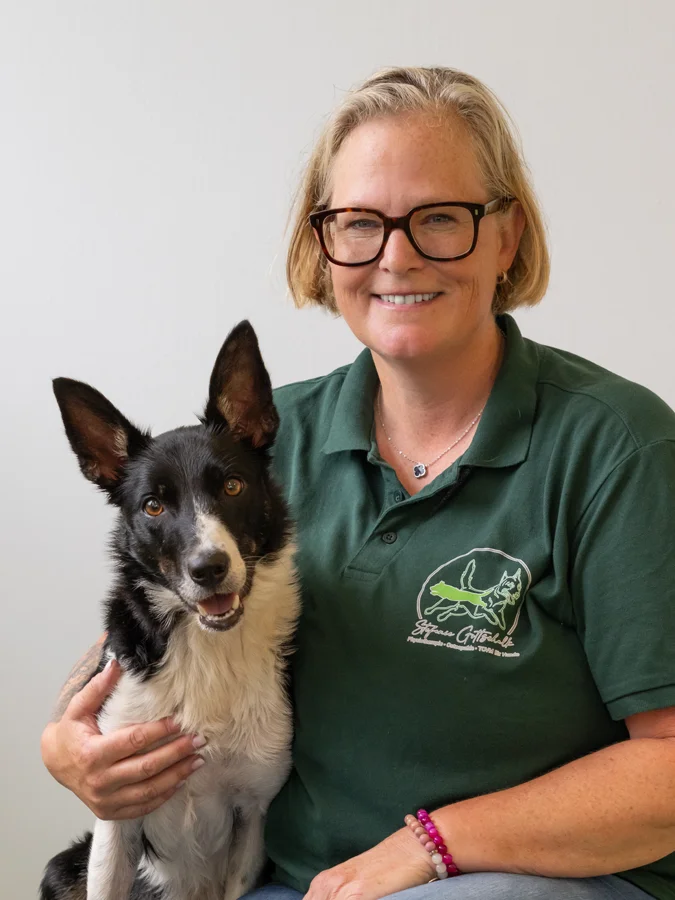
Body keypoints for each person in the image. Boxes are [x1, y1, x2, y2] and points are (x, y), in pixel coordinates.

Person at [41, 66, 675, 900]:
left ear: (506, 237)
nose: (396, 255)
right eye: (358, 222)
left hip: (518, 878)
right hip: (293, 879)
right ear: (322, 244)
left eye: (440, 218)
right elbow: (140, 629)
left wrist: (436, 844)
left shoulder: (616, 448)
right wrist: (70, 746)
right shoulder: (261, 450)